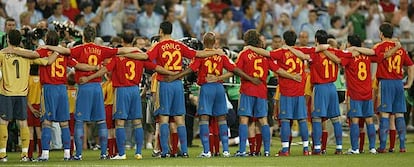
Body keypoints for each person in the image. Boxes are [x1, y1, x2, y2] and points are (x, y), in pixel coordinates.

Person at [43, 25, 148, 160]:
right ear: (94, 36)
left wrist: (48, 47)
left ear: (83, 37)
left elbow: (63, 50)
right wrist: (136, 49)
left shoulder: (79, 49)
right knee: (102, 121)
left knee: (80, 121)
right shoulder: (102, 49)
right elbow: (121, 50)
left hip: (85, 86)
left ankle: (79, 154)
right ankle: (104, 153)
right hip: (98, 87)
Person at [79, 31, 177, 160]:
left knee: (120, 123)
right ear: (133, 41)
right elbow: (155, 67)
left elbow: (104, 70)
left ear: (122, 40)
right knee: (137, 122)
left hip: (122, 90)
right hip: (135, 90)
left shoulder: (118, 55)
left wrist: (88, 78)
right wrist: (173, 73)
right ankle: (138, 152)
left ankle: (121, 153)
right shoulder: (139, 56)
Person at [165, 32, 250, 158]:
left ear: (203, 42)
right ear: (215, 42)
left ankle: (206, 151)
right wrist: (219, 77)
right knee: (221, 118)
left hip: (206, 88)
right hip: (219, 88)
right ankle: (226, 151)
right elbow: (235, 70)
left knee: (204, 118)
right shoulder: (221, 55)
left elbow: (190, 70)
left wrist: (176, 76)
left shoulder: (201, 56)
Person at [146, 21, 224, 158]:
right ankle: (185, 152)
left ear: (160, 31)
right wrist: (215, 52)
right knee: (179, 119)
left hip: (164, 82)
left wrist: (160, 69)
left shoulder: (158, 45)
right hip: (178, 84)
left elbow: (147, 59)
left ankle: (164, 151)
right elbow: (196, 54)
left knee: (164, 118)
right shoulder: (179, 45)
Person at [234, 29, 301, 157]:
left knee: (244, 120)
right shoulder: (264, 55)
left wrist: (248, 77)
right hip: (261, 91)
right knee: (263, 121)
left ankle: (242, 150)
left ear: (247, 40)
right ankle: (266, 151)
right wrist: (292, 76)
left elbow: (236, 69)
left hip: (247, 89)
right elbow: (278, 70)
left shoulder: (244, 53)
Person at [246, 30, 313, 156]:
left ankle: (285, 150)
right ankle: (306, 149)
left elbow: (266, 53)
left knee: (286, 121)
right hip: (300, 91)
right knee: (302, 120)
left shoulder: (281, 52)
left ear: (284, 40)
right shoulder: (301, 51)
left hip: (287, 91)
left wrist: (250, 47)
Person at [0, 29, 59, 162]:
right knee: (23, 123)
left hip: (6, 93)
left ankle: (2, 155)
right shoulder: (27, 55)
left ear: (8, 39)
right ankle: (25, 155)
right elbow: (47, 62)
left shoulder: (2, 54)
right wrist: (58, 50)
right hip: (22, 93)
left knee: (3, 123)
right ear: (20, 40)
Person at [309, 30, 352, 155]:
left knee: (317, 118)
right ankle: (339, 147)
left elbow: (304, 55)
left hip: (320, 87)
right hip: (332, 88)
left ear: (316, 40)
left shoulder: (315, 54)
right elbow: (346, 56)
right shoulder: (334, 52)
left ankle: (317, 148)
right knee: (335, 119)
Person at [374, 23, 414, 153]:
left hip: (386, 83)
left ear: (381, 33)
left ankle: (383, 146)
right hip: (398, 83)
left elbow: (375, 56)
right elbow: (411, 66)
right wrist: (409, 82)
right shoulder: (401, 49)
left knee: (385, 114)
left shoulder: (380, 47)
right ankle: (402, 146)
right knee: (399, 114)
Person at [341, 34, 378, 154]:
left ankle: (355, 148)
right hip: (367, 91)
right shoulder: (367, 56)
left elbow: (339, 59)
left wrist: (344, 49)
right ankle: (372, 148)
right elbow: (376, 54)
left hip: (355, 92)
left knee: (355, 121)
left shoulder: (350, 56)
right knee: (369, 120)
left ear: (350, 44)